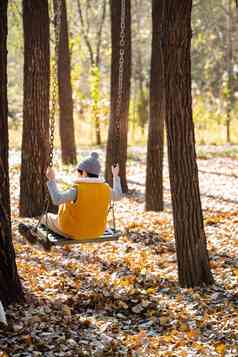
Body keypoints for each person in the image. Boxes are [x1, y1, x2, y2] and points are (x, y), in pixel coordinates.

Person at [19, 152, 122, 247]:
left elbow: (57, 199)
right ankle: (43, 241)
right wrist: (115, 176)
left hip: (73, 231)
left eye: (78, 172)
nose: (77, 174)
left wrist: (51, 180)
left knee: (45, 217)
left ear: (84, 173)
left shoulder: (77, 190)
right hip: (98, 231)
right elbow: (118, 196)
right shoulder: (105, 188)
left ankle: (34, 236)